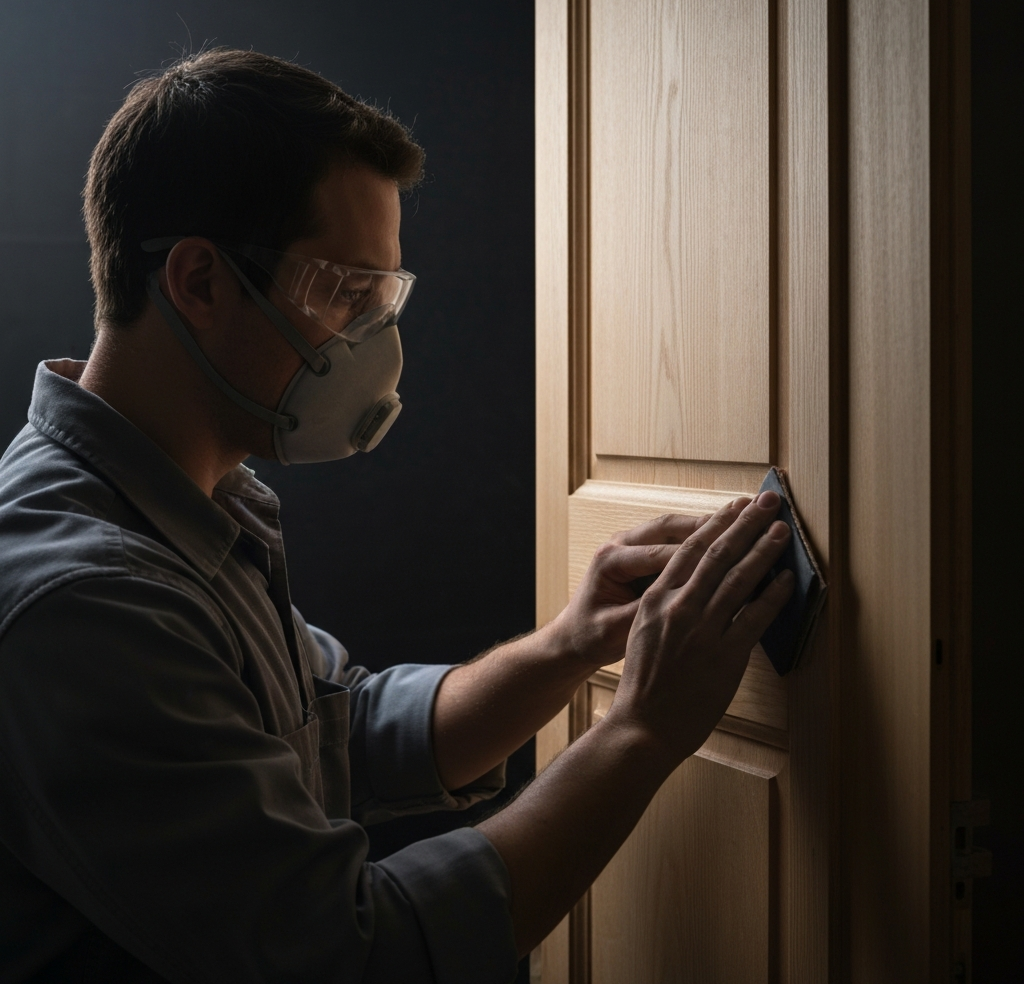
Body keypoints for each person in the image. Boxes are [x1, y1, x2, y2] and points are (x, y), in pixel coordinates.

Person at [0, 49, 794, 984]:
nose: (376, 342)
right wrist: (642, 732)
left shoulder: (193, 506)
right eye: (343, 292)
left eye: (384, 297)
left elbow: (346, 729)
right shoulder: (89, 601)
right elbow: (350, 956)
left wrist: (570, 646)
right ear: (200, 283)